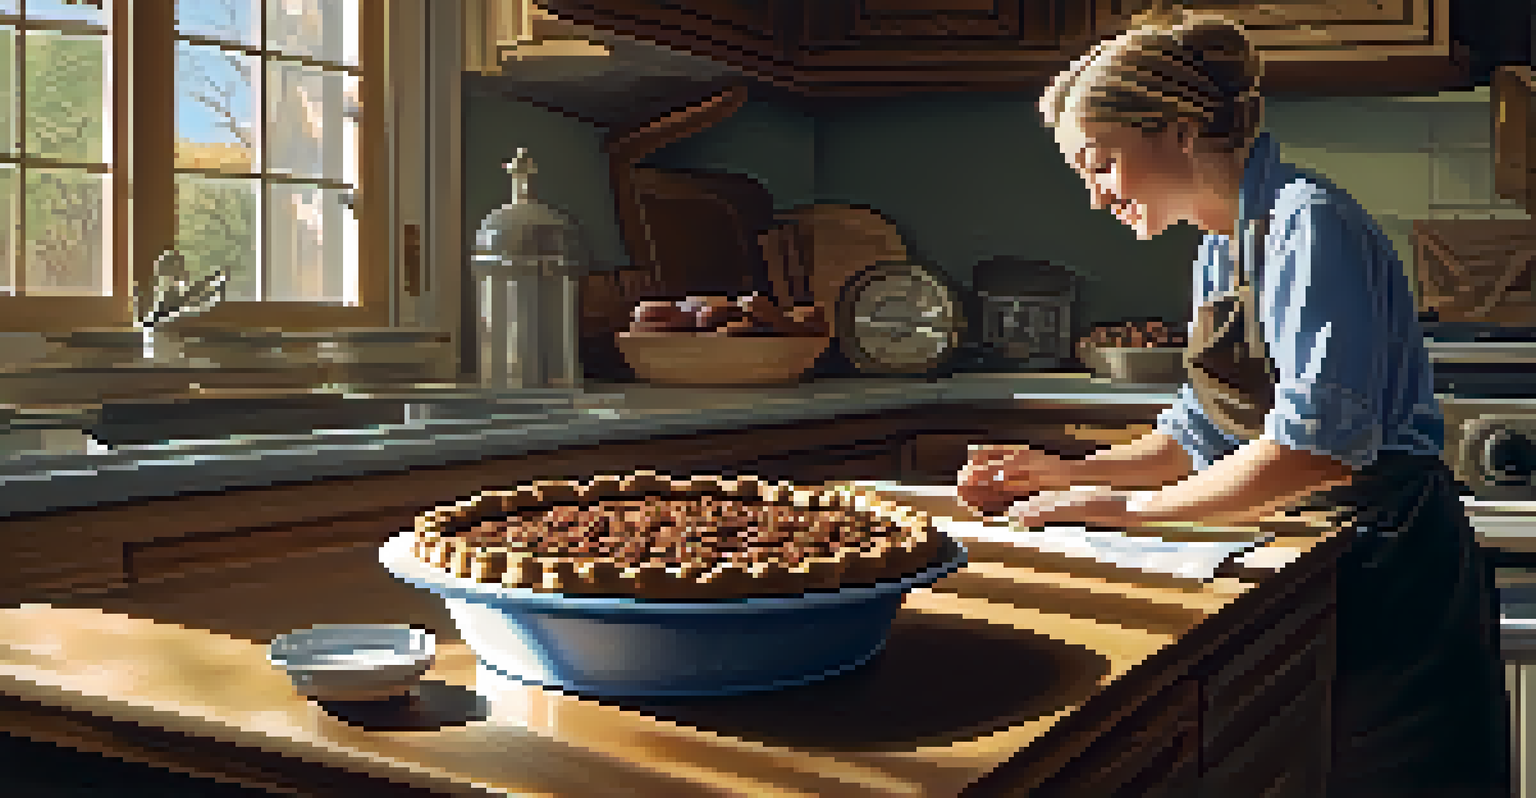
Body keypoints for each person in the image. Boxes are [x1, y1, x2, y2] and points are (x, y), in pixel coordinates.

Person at [957, 7, 1509, 797]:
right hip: (1315, 553)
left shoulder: (1308, 225)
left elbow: (1314, 448)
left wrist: (1126, 513)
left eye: (1101, 162)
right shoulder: (1222, 246)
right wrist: (1057, 472)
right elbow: (1198, 432)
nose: (1094, 197)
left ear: (1178, 132)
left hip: (1390, 567)